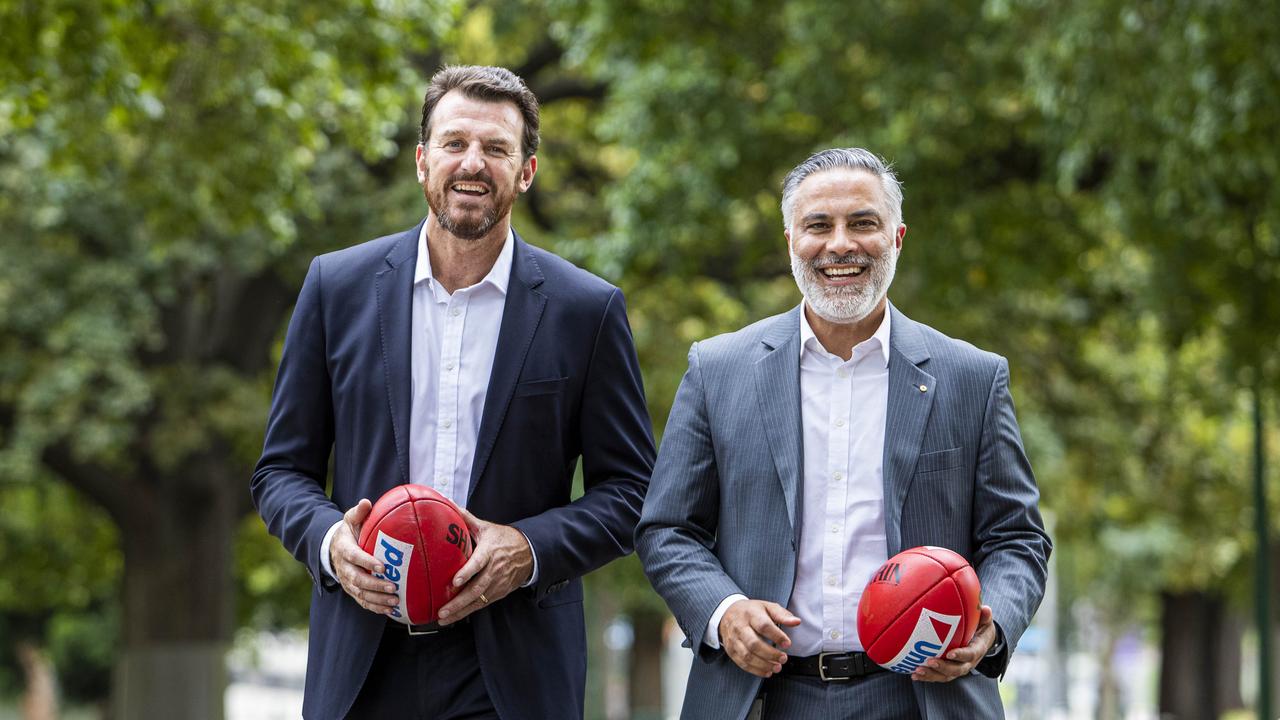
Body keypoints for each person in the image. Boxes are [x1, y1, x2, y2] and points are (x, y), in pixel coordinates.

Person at [251, 65, 654, 720]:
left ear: (525, 171)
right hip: (362, 658)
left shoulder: (587, 309)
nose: (473, 163)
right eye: (454, 143)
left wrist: (528, 550)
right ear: (422, 160)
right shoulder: (335, 287)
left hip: (513, 668)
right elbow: (280, 472)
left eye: (496, 148)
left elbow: (633, 492)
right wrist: (331, 544)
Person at [636, 148, 1051, 719]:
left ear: (898, 237)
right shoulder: (717, 370)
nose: (840, 245)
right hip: (762, 698)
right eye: (817, 225)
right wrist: (724, 610)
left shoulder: (972, 378)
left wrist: (992, 622)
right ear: (789, 242)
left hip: (922, 698)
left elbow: (1018, 539)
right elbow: (667, 529)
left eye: (862, 223)